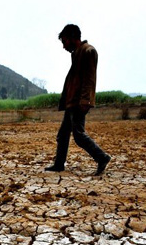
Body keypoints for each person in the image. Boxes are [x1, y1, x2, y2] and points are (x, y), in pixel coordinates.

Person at [45, 24, 111, 175]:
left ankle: (102, 157)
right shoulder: (76, 53)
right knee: (62, 135)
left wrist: (85, 101)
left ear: (72, 38)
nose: (63, 46)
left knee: (79, 135)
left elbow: (89, 79)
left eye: (64, 41)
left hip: (79, 102)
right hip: (72, 101)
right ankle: (59, 164)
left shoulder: (88, 51)